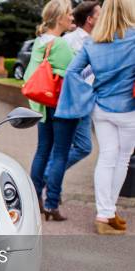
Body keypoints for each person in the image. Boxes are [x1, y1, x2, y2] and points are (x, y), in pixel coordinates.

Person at [56, 0, 135, 235]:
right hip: (129, 110)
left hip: (100, 109)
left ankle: (106, 214)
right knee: (121, 158)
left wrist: (88, 94)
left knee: (107, 157)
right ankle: (107, 213)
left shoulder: (93, 42)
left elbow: (72, 72)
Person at [24, 0, 77, 221]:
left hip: (44, 106)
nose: (72, 18)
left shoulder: (40, 42)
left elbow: (29, 74)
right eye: (69, 14)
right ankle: (52, 204)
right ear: (59, 18)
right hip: (62, 106)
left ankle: (34, 199)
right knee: (60, 154)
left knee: (42, 151)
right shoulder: (61, 44)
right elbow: (77, 72)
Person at [44, 1, 101, 185]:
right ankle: (49, 179)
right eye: (100, 15)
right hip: (71, 101)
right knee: (68, 148)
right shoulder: (69, 40)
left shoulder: (100, 40)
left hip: (88, 101)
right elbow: (64, 71)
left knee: (81, 148)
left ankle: (49, 177)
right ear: (90, 19)